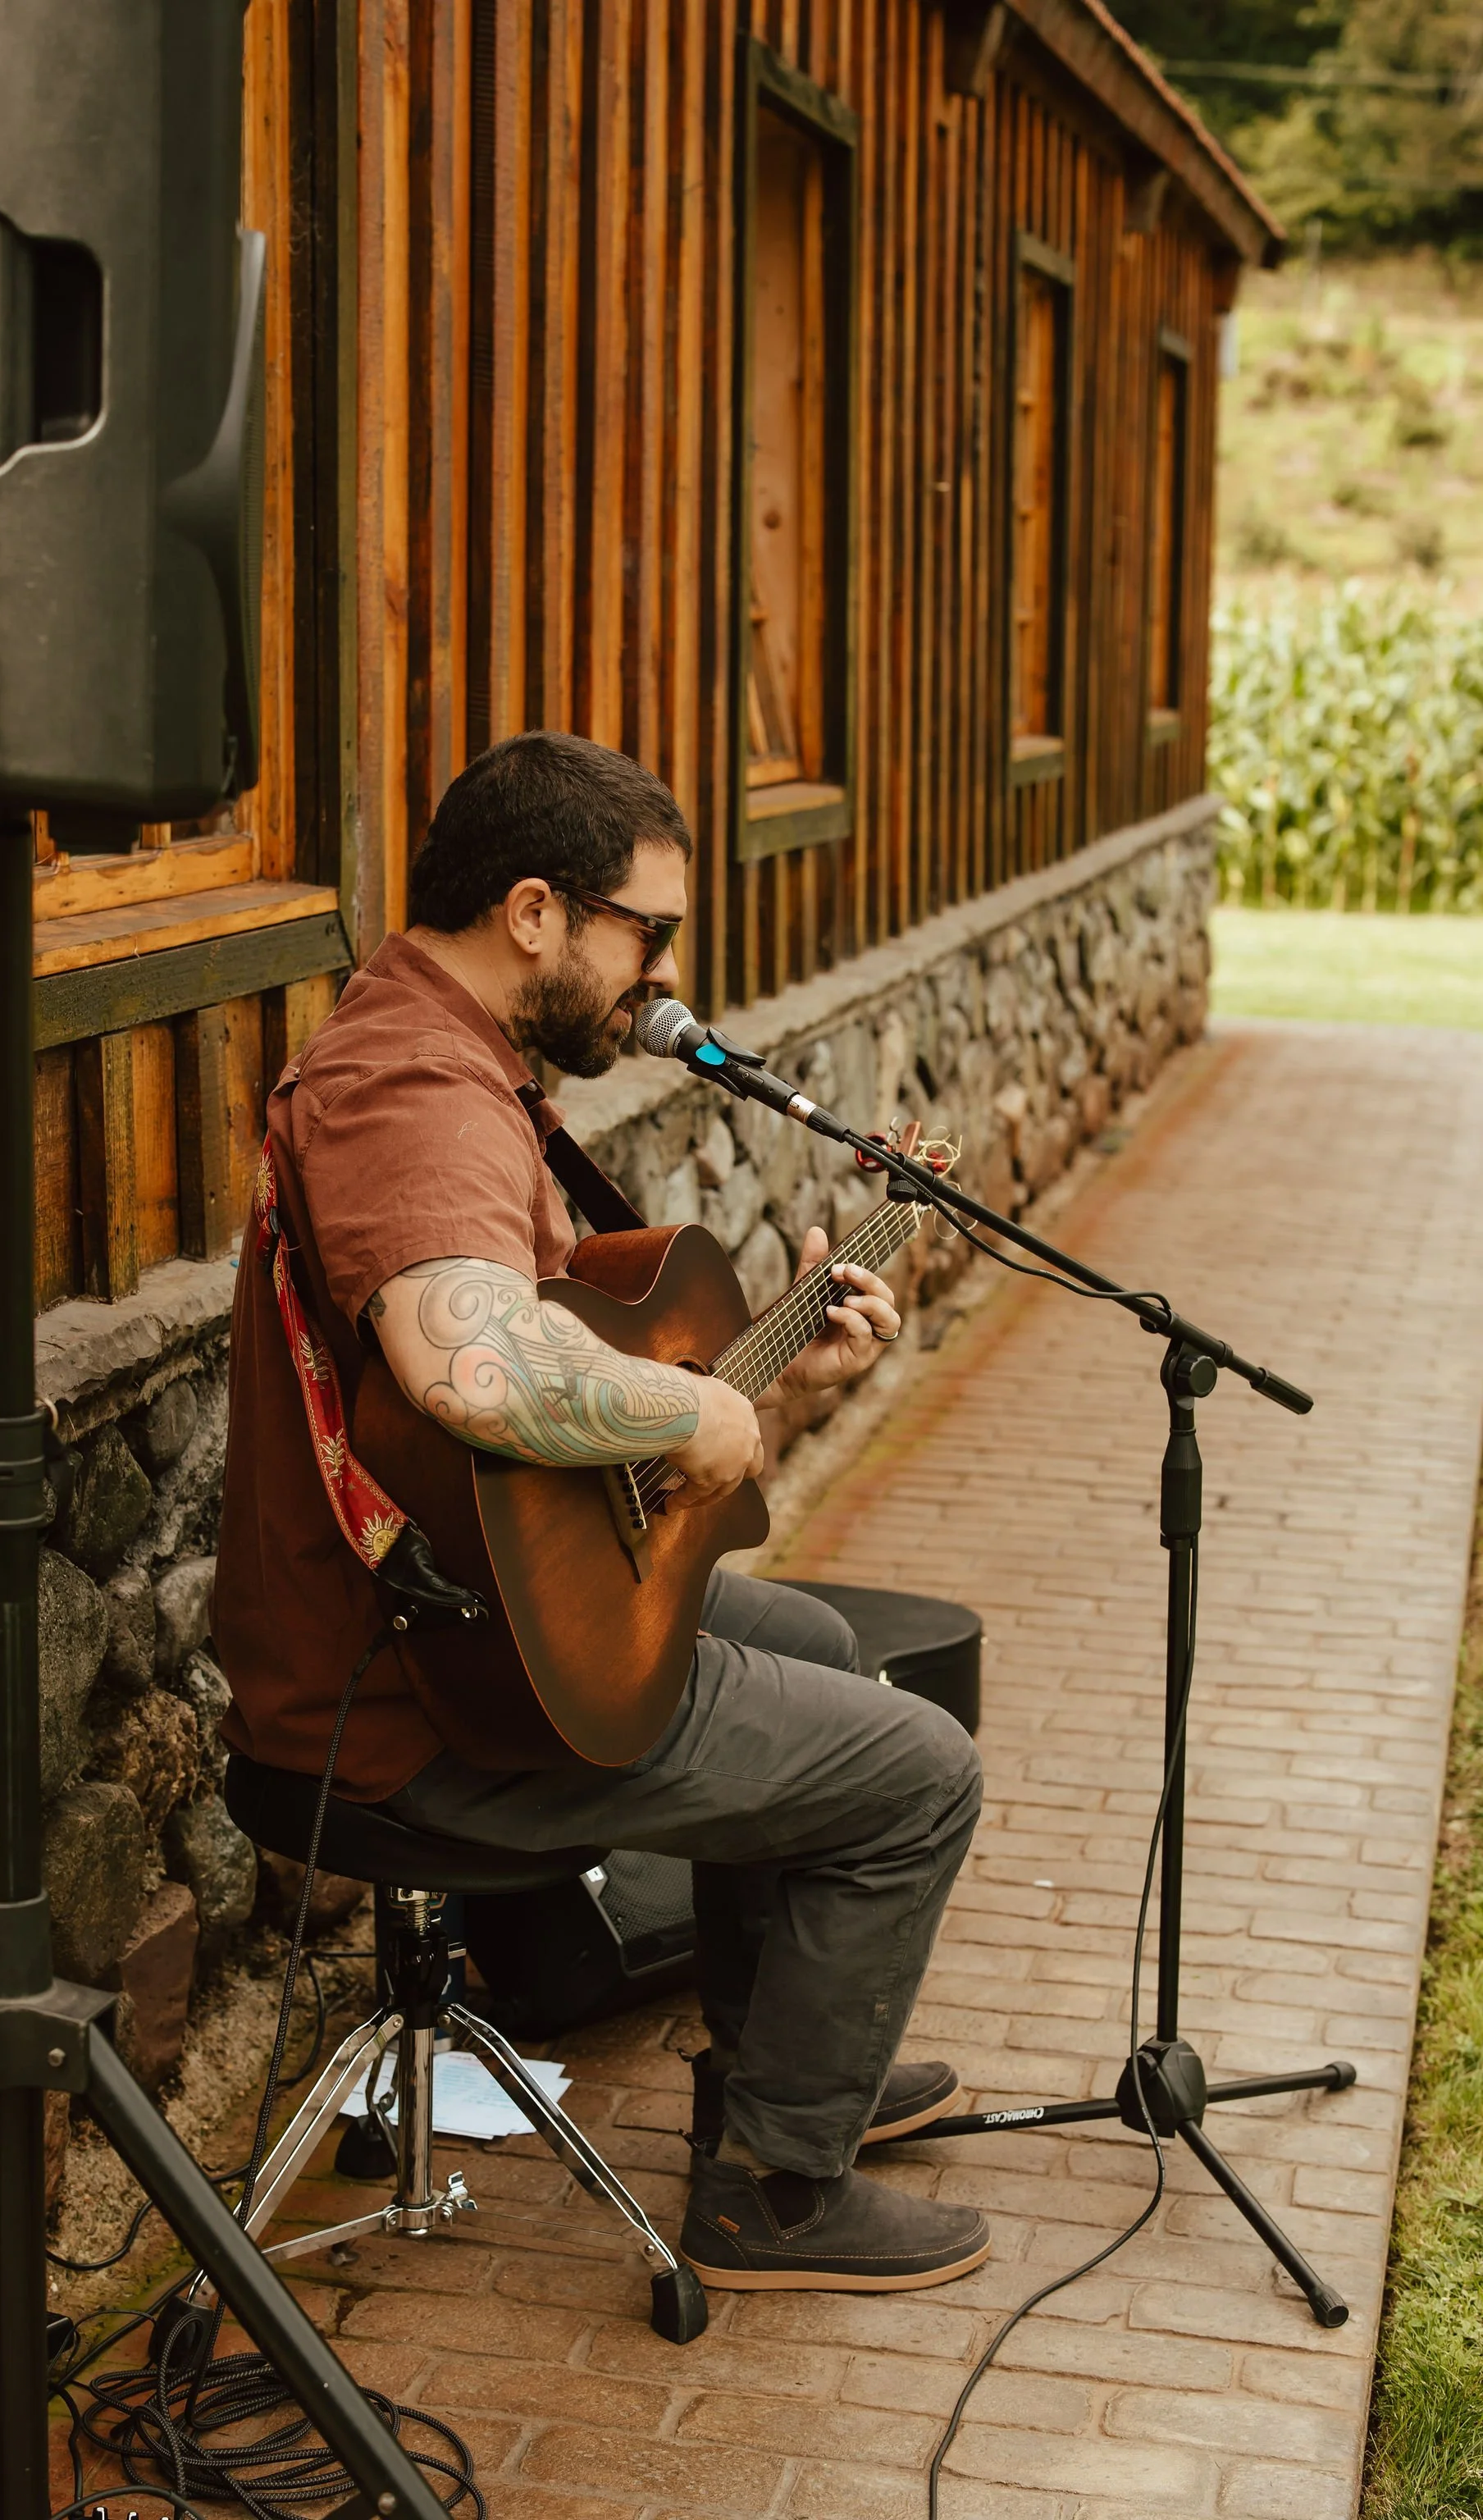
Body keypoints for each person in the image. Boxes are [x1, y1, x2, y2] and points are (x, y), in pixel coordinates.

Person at [214, 730, 988, 2294]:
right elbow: (477, 1374)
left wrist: (765, 1371)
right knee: (920, 1770)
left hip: (467, 1626)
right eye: (650, 935)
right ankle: (775, 2192)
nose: (663, 980)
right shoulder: (414, 1092)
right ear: (534, 912)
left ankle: (778, 2076)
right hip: (411, 1707)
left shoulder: (452, 1059)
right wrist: (698, 1406)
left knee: (821, 1644)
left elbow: (561, 1415)